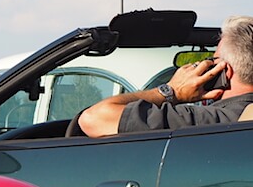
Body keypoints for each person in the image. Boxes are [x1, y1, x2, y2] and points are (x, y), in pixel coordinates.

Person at [77, 14, 253, 137]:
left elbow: (93, 119)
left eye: (213, 60)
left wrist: (171, 91)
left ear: (224, 70)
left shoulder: (211, 119)